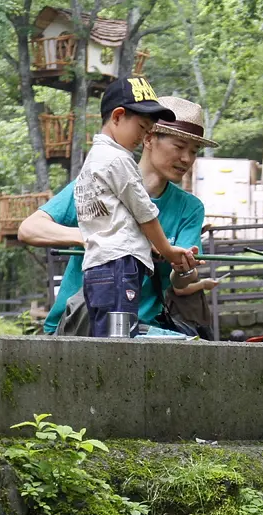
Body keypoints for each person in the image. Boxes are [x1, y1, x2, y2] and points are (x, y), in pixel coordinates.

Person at [20, 95, 217, 336]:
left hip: (143, 324)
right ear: (148, 138)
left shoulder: (189, 207)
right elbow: (29, 229)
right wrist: (91, 236)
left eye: (194, 151)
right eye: (179, 146)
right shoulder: (97, 181)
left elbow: (180, 282)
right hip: (82, 320)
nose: (187, 159)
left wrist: (184, 268)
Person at [73, 77, 199, 337]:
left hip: (97, 265)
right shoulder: (119, 160)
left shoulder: (93, 161)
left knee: (103, 334)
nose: (143, 137)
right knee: (120, 338)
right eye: (142, 128)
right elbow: (145, 212)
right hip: (120, 264)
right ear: (118, 116)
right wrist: (166, 249)